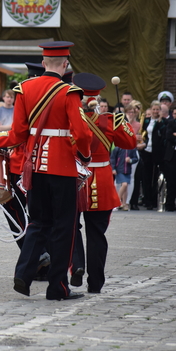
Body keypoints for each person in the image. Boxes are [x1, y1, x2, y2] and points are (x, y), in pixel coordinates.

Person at [0, 41, 92, 301]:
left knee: (37, 223)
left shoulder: (24, 88)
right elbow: (82, 133)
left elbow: (18, 133)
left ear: (43, 63)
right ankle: (58, 288)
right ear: (65, 65)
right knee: (63, 227)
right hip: (63, 168)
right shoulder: (69, 92)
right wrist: (85, 156)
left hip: (34, 167)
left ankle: (23, 273)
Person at [69, 73, 136, 294]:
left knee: (70, 226)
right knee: (97, 234)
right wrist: (121, 121)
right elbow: (130, 142)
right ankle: (95, 283)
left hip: (74, 179)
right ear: (98, 98)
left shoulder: (69, 119)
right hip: (102, 182)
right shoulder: (109, 120)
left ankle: (77, 265)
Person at [139, 101, 166, 210]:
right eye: (153, 109)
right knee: (146, 176)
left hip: (156, 152)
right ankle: (147, 199)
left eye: (157, 109)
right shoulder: (146, 121)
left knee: (154, 178)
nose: (155, 111)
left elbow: (162, 136)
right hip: (146, 151)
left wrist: (159, 121)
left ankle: (153, 200)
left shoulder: (162, 122)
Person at [112, 145, 138, 211]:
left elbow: (135, 158)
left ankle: (124, 203)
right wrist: (113, 168)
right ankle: (117, 202)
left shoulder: (132, 148)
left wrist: (130, 160)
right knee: (124, 184)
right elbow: (113, 159)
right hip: (119, 170)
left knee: (125, 188)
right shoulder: (117, 148)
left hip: (127, 171)